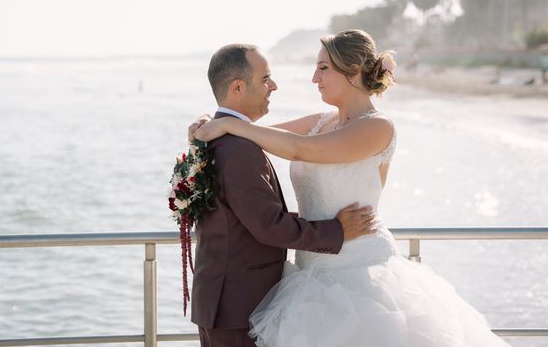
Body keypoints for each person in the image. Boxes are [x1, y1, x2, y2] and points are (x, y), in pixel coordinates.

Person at [193, 30, 510, 347]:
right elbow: (250, 138)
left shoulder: (377, 127)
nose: (314, 78)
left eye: (323, 68)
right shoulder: (320, 121)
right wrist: (211, 127)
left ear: (354, 69)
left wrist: (230, 124)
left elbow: (299, 149)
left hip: (359, 272)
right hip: (307, 275)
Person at [190, 43, 377, 347]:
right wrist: (338, 230)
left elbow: (284, 143)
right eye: (265, 79)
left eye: (323, 68)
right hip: (239, 305)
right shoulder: (237, 147)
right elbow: (269, 226)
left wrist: (219, 122)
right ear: (238, 88)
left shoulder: (224, 139)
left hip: (224, 300)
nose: (274, 86)